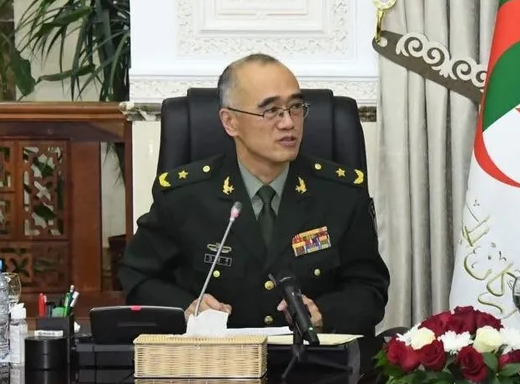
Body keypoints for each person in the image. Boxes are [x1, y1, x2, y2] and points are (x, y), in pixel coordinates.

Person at [118, 54, 389, 336]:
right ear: (230, 122)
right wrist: (186, 308)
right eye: (271, 111)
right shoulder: (184, 195)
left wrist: (323, 313)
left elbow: (370, 288)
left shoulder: (341, 193)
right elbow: (137, 276)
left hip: (312, 358)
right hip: (218, 359)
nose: (288, 123)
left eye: (296, 107)